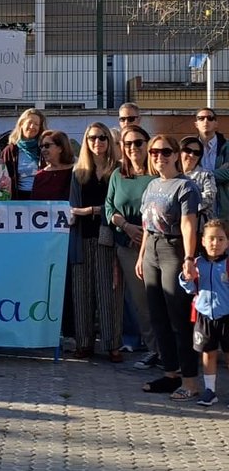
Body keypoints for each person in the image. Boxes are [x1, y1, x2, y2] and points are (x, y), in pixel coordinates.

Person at [136, 134, 200, 400]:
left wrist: (188, 258)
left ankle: (190, 381)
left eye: (164, 152)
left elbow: (188, 224)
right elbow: (146, 225)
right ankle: (170, 373)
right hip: (152, 249)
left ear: (175, 155)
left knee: (179, 318)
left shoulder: (185, 187)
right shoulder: (152, 185)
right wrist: (141, 256)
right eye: (153, 152)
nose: (158, 157)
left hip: (174, 249)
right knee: (158, 316)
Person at [106, 124, 158, 370]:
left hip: (156, 246)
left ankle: (171, 350)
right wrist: (126, 226)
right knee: (141, 303)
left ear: (147, 144)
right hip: (127, 245)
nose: (133, 148)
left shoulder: (158, 173)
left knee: (162, 300)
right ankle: (154, 350)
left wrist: (143, 231)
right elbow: (109, 208)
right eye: (128, 144)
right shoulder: (118, 174)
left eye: (138, 142)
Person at [68, 122, 121, 360]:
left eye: (102, 137)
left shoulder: (118, 171)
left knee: (108, 291)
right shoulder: (78, 173)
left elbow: (116, 206)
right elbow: (72, 209)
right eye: (92, 138)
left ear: (109, 141)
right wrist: (92, 211)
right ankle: (84, 343)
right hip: (82, 236)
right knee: (81, 291)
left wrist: (90, 210)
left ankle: (112, 344)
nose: (97, 142)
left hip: (107, 236)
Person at [178, 218, 229, 406]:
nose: (215, 243)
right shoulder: (198, 263)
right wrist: (186, 277)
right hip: (204, 316)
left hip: (226, 316)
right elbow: (189, 288)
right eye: (211, 239)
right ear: (203, 241)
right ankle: (210, 391)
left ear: (227, 242)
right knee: (208, 353)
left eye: (221, 239)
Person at [1, 108, 46, 199]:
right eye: (29, 122)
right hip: (18, 199)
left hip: (41, 198)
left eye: (36, 124)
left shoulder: (44, 149)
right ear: (21, 124)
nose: (32, 126)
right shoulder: (10, 151)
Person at [192, 108, 229, 217]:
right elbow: (185, 175)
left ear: (216, 123)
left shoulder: (227, 147)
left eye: (210, 118)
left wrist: (200, 177)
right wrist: (218, 173)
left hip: (223, 210)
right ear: (196, 124)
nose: (206, 121)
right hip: (198, 211)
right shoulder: (189, 148)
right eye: (201, 118)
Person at [180, 135, 218, 227]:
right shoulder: (173, 174)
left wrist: (183, 202)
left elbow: (209, 197)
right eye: (188, 151)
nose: (192, 155)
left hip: (199, 228)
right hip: (175, 228)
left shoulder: (206, 174)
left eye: (196, 153)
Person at [31, 130, 74, 201]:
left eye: (47, 146)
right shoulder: (40, 175)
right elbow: (34, 204)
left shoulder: (75, 173)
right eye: (41, 147)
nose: (43, 150)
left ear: (60, 148)